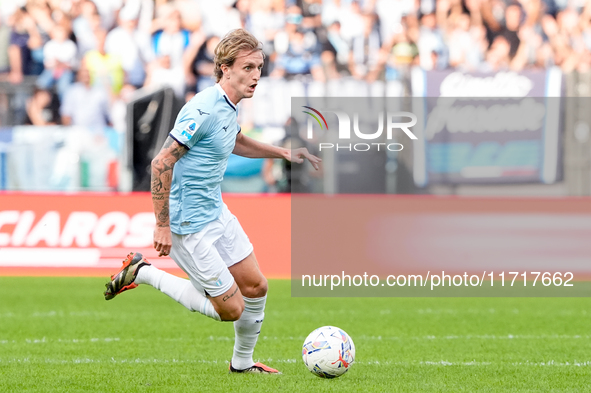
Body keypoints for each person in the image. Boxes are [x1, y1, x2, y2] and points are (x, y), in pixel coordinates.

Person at [103, 29, 321, 374]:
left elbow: (235, 141)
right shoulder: (202, 110)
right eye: (248, 67)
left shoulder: (228, 107)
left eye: (259, 67)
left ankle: (243, 364)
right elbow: (161, 162)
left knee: (257, 286)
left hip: (215, 212)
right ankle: (144, 272)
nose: (256, 76)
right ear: (225, 68)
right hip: (188, 224)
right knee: (231, 309)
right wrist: (162, 225)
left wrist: (283, 152)